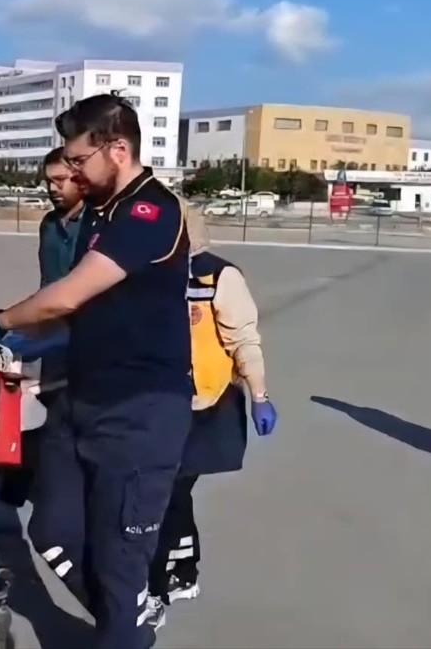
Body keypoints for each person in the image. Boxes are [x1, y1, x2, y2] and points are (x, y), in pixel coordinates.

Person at [0, 93, 192, 649]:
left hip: (139, 411)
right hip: (82, 399)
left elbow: (67, 297)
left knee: (119, 558)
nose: (74, 174)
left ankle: (125, 626)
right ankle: (126, 621)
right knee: (53, 528)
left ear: (118, 149)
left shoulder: (149, 211)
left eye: (81, 161)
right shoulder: (102, 212)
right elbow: (73, 308)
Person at [142, 207, 278, 628]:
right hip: (150, 402)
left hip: (202, 405)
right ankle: (174, 574)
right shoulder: (141, 272)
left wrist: (259, 394)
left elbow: (243, 338)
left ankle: (166, 581)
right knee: (161, 492)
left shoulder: (217, 276)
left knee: (170, 490)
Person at [0, 146, 88, 509]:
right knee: (42, 402)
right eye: (48, 181)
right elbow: (47, 283)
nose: (53, 188)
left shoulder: (98, 224)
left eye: (61, 180)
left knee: (75, 411)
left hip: (87, 333)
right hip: (52, 329)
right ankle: (24, 474)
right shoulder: (50, 225)